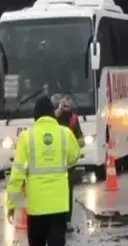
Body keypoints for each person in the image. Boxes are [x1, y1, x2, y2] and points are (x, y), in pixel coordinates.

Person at [7, 94, 81, 246]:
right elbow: (75, 156)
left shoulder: (26, 137)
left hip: (36, 208)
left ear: (36, 116)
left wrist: (11, 205)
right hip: (59, 206)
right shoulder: (64, 133)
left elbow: (16, 176)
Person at [51, 94, 86, 233]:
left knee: (67, 192)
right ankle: (58, 220)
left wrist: (73, 145)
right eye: (62, 106)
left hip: (68, 163)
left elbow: (81, 140)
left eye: (67, 106)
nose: (65, 109)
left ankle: (66, 221)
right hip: (54, 162)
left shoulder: (73, 119)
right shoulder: (53, 119)